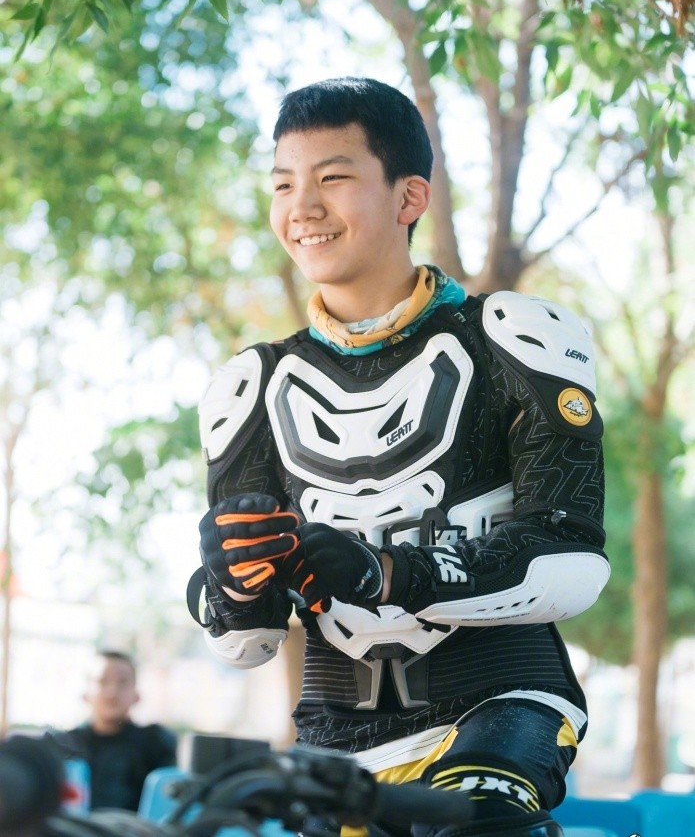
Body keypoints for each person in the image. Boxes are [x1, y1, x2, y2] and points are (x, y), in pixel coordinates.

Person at [187, 77, 610, 837]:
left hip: (497, 713)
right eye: (283, 184)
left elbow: (572, 559)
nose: (302, 207)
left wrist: (387, 573)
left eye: (332, 178)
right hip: (332, 742)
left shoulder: (517, 339)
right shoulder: (248, 386)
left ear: (409, 197)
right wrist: (230, 577)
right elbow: (245, 642)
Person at [47, 650, 177, 812]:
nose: (112, 692)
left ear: (136, 695)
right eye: (102, 681)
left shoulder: (156, 745)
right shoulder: (64, 746)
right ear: (85, 694)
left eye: (122, 683)